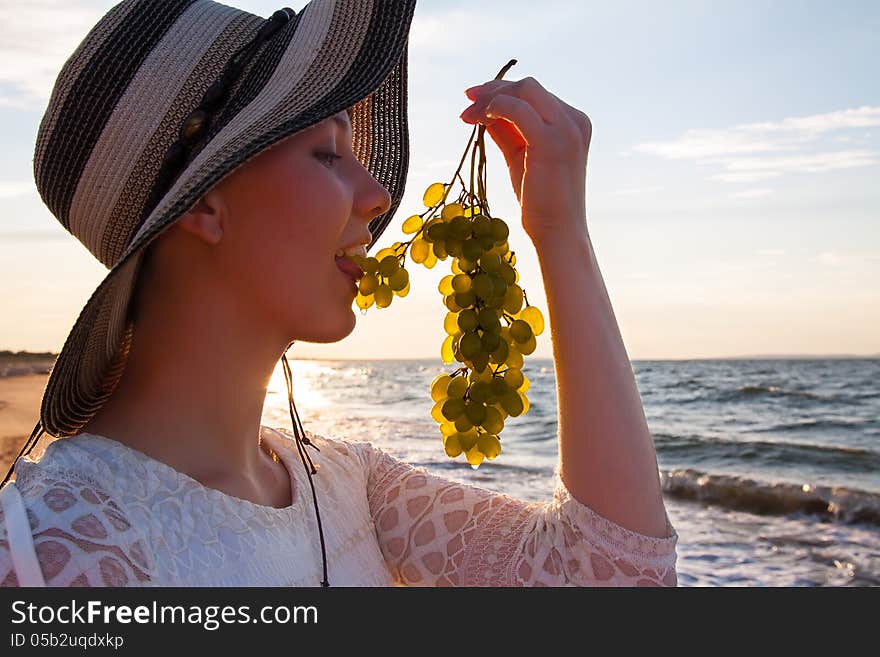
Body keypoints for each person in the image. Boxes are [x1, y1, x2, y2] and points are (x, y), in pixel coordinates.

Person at [0, 0, 678, 587]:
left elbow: (611, 576)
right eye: (328, 153)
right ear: (204, 200)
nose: (378, 197)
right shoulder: (50, 552)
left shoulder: (344, 484)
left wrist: (561, 234)